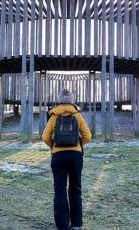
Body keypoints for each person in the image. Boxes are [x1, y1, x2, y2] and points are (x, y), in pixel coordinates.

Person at [42, 88, 92, 230]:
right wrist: (77, 144)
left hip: (58, 156)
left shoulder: (53, 116)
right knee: (75, 189)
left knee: (59, 190)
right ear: (72, 100)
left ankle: (63, 226)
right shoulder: (77, 116)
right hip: (75, 156)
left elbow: (45, 137)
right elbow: (88, 136)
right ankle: (76, 224)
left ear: (59, 100)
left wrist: (54, 146)